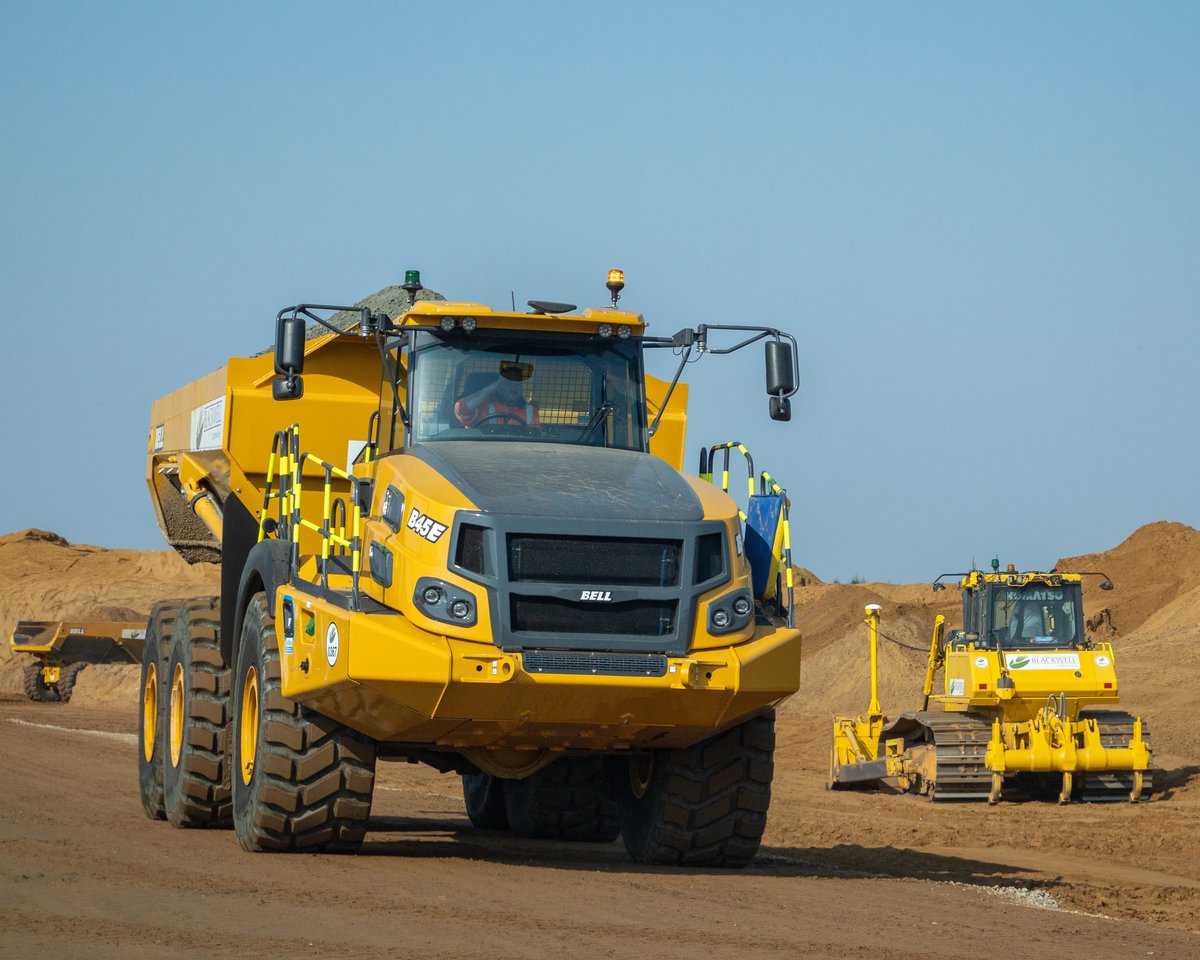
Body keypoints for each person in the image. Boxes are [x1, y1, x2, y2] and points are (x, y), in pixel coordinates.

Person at [454, 369, 540, 428]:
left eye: (517, 385)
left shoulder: (530, 410)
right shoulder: (481, 406)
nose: (513, 389)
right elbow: (461, 409)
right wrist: (490, 389)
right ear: (498, 387)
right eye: (508, 384)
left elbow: (534, 436)